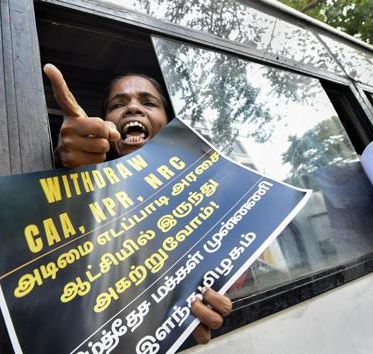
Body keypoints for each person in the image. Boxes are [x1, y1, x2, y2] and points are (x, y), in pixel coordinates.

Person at [43, 63, 232, 344]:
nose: (132, 108)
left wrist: (215, 299)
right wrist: (66, 169)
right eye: (119, 104)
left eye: (148, 102)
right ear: (105, 122)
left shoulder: (205, 198)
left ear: (168, 123)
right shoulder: (83, 191)